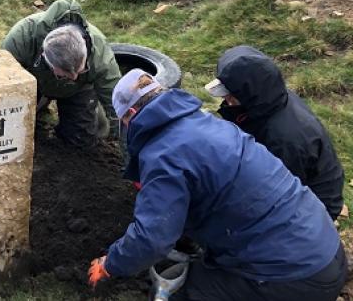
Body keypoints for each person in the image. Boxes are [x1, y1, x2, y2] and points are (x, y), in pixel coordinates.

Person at [87, 69, 346, 300]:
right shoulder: (209, 123)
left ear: (130, 114)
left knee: (183, 294)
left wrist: (110, 264)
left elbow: (152, 239)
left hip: (294, 278)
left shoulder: (162, 157)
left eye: (122, 122)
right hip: (325, 247)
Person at [205, 45, 344, 220]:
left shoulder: (283, 140)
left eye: (231, 94)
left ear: (250, 94)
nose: (226, 99)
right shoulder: (270, 98)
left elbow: (275, 192)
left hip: (314, 207)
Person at [1, 0, 120, 147]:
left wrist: (132, 158)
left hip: (78, 90)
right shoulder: (22, 39)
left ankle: (92, 111)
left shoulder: (101, 57)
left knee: (82, 140)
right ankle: (41, 105)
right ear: (45, 57)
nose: (74, 77)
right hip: (32, 81)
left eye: (80, 70)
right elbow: (1, 90)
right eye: (64, 74)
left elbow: (119, 107)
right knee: (14, 130)